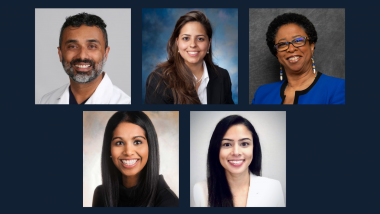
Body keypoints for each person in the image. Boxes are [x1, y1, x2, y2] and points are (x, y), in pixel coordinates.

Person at [251, 13, 345, 104]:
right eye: (282, 44)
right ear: (276, 53)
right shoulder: (262, 94)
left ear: (311, 46)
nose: (291, 49)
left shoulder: (339, 88)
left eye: (298, 40)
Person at [193, 115, 285, 207]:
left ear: (254, 148)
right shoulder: (200, 190)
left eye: (244, 144)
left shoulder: (273, 188)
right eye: (227, 144)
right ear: (216, 149)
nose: (236, 152)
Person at [39, 12, 131, 104]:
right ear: (60, 53)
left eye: (92, 46)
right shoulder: (46, 101)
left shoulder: (125, 103)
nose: (82, 56)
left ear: (106, 53)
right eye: (73, 46)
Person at [145, 11, 234, 104]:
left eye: (200, 39)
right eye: (186, 38)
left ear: (209, 43)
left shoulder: (223, 76)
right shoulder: (158, 80)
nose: (193, 45)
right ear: (177, 42)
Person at [92, 111, 179, 207]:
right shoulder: (101, 194)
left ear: (150, 147)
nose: (128, 152)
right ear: (109, 149)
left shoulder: (169, 202)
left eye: (137, 142)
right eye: (119, 143)